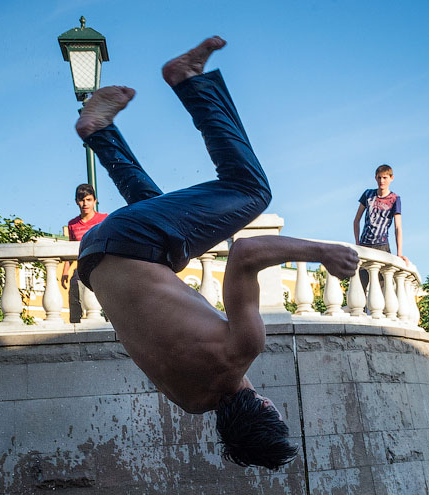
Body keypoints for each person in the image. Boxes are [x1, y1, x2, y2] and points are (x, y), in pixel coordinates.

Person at [72, 37, 359, 469]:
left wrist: (323, 251)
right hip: (97, 257)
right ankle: (100, 133)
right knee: (163, 221)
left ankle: (188, 80)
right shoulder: (189, 401)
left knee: (252, 190)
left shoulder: (240, 349)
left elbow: (246, 252)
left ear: (266, 407)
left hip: (133, 241)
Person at [61, 184, 108, 323]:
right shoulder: (73, 224)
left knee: (106, 302)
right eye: (82, 200)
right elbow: (71, 250)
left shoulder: (104, 219)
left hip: (102, 267)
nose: (85, 203)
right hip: (81, 268)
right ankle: (75, 329)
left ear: (94, 201)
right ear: (76, 201)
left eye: (88, 199)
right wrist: (65, 271)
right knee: (75, 297)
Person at [352, 164, 405, 263]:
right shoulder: (368, 194)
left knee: (382, 277)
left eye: (385, 178)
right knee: (363, 276)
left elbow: (398, 227)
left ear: (391, 178)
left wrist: (399, 253)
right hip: (365, 244)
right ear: (375, 178)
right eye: (379, 177)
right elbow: (356, 220)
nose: (382, 181)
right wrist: (357, 243)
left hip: (382, 245)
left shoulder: (395, 199)